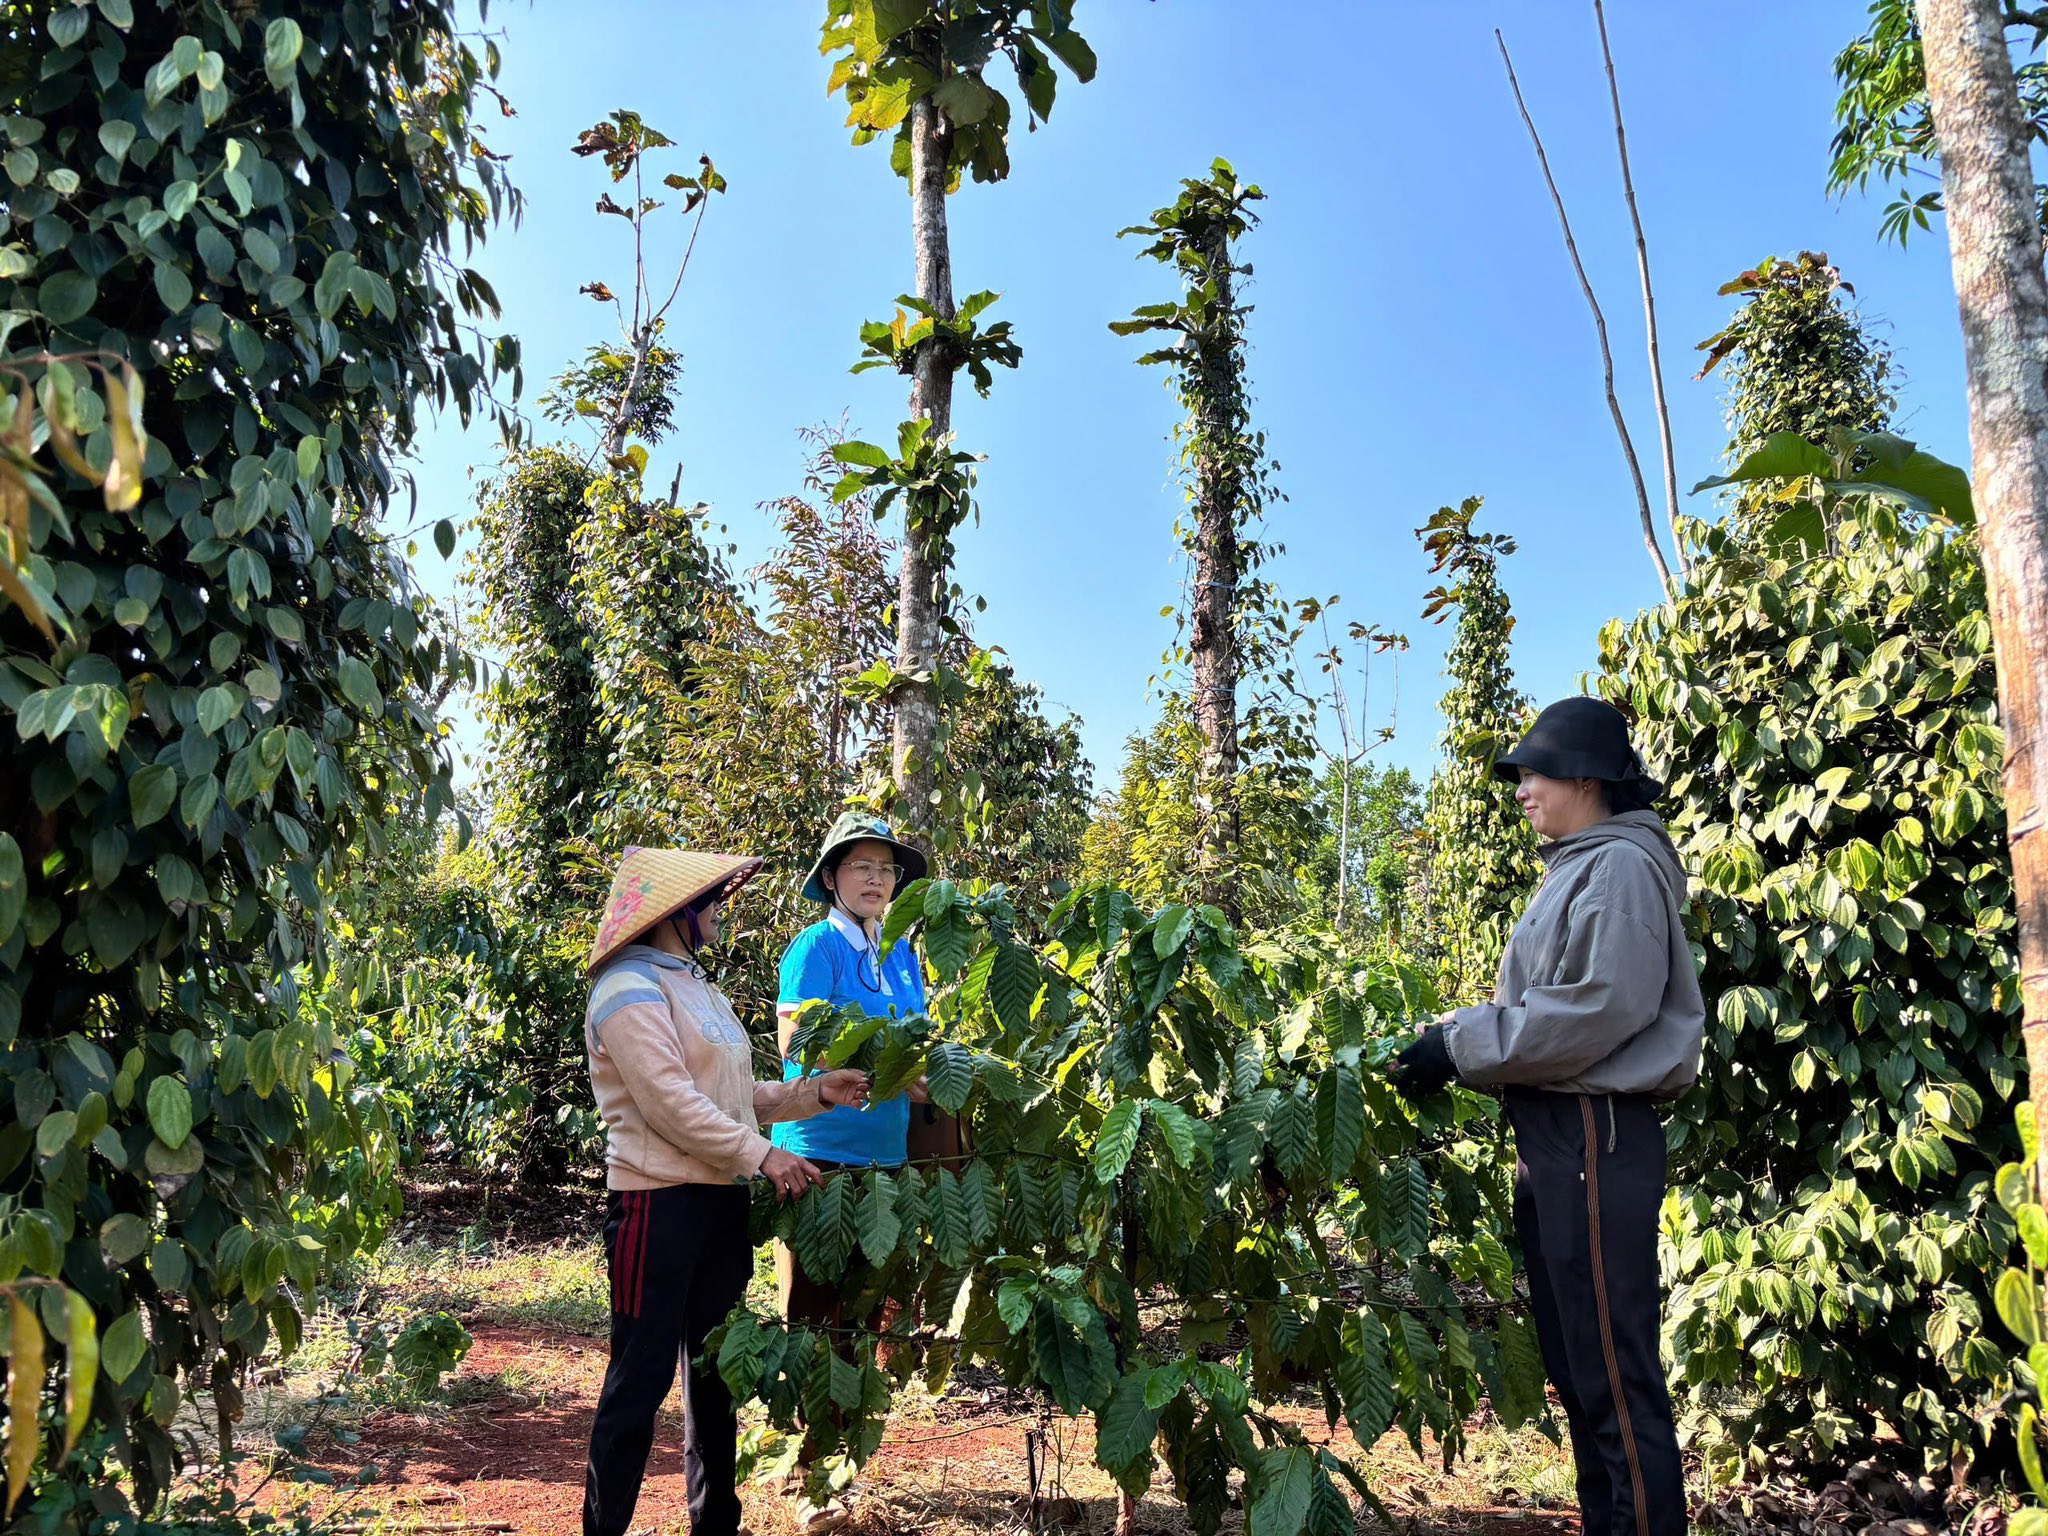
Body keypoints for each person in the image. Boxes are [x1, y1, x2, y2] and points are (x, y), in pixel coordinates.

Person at [1389, 697, 1704, 1536]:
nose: (1522, 789)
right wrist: (1449, 1035)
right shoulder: (1579, 863)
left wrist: (1459, 1047)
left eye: (1534, 772)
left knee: (1612, 1369)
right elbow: (1547, 1006)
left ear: (1587, 778)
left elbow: (1597, 1009)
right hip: (1561, 1137)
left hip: (1596, 1136)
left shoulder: (1622, 868)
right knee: (1579, 1367)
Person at [581, 846, 872, 1536]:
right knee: (640, 1378)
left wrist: (812, 1094)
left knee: (713, 1377)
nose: (718, 911)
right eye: (709, 901)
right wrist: (763, 1156)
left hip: (718, 1203)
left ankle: (716, 1524)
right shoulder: (627, 987)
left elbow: (733, 1097)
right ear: (676, 912)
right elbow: (670, 1104)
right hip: (658, 1204)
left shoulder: (695, 985)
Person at [771, 810, 932, 1533]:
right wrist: (893, 1073)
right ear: (832, 878)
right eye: (861, 866)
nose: (877, 879)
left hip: (886, 1161)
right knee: (813, 1314)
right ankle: (812, 1476)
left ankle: (836, 1457)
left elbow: (920, 1042)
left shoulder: (901, 953)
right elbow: (801, 1050)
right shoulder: (815, 947)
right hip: (820, 1156)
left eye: (887, 868)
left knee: (864, 1320)